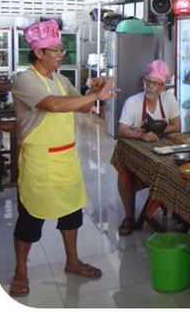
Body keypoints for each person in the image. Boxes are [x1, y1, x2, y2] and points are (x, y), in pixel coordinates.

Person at [9, 19, 117, 297]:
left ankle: (72, 261)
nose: (61, 54)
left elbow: (80, 107)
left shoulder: (61, 79)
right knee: (30, 218)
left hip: (66, 158)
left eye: (61, 50)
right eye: (55, 50)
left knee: (71, 213)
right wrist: (93, 95)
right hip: (40, 162)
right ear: (38, 53)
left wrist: (95, 92)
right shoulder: (25, 81)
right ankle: (21, 272)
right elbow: (54, 105)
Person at [116, 60, 181, 236]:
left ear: (162, 87)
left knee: (177, 171)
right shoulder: (133, 102)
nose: (151, 86)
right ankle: (129, 217)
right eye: (148, 81)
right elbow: (121, 130)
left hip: (164, 151)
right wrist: (141, 135)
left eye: (156, 84)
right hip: (140, 154)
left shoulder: (169, 99)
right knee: (124, 172)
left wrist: (156, 131)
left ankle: (182, 215)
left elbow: (177, 125)